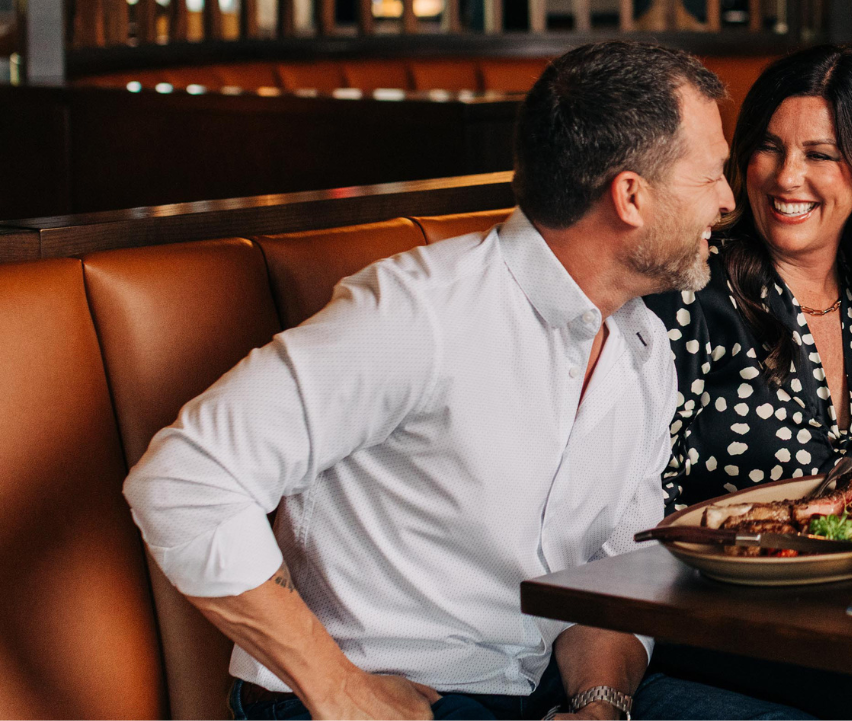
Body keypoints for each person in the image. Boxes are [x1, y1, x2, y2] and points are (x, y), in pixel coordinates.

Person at [123, 42, 802, 721]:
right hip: (380, 693)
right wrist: (336, 686)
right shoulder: (422, 311)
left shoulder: (643, 348)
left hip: (537, 691)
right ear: (631, 196)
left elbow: (607, 578)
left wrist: (602, 705)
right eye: (711, 175)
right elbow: (183, 477)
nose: (727, 201)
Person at [647, 46, 852, 509]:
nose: (787, 176)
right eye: (769, 147)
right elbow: (643, 494)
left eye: (819, 155)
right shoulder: (693, 290)